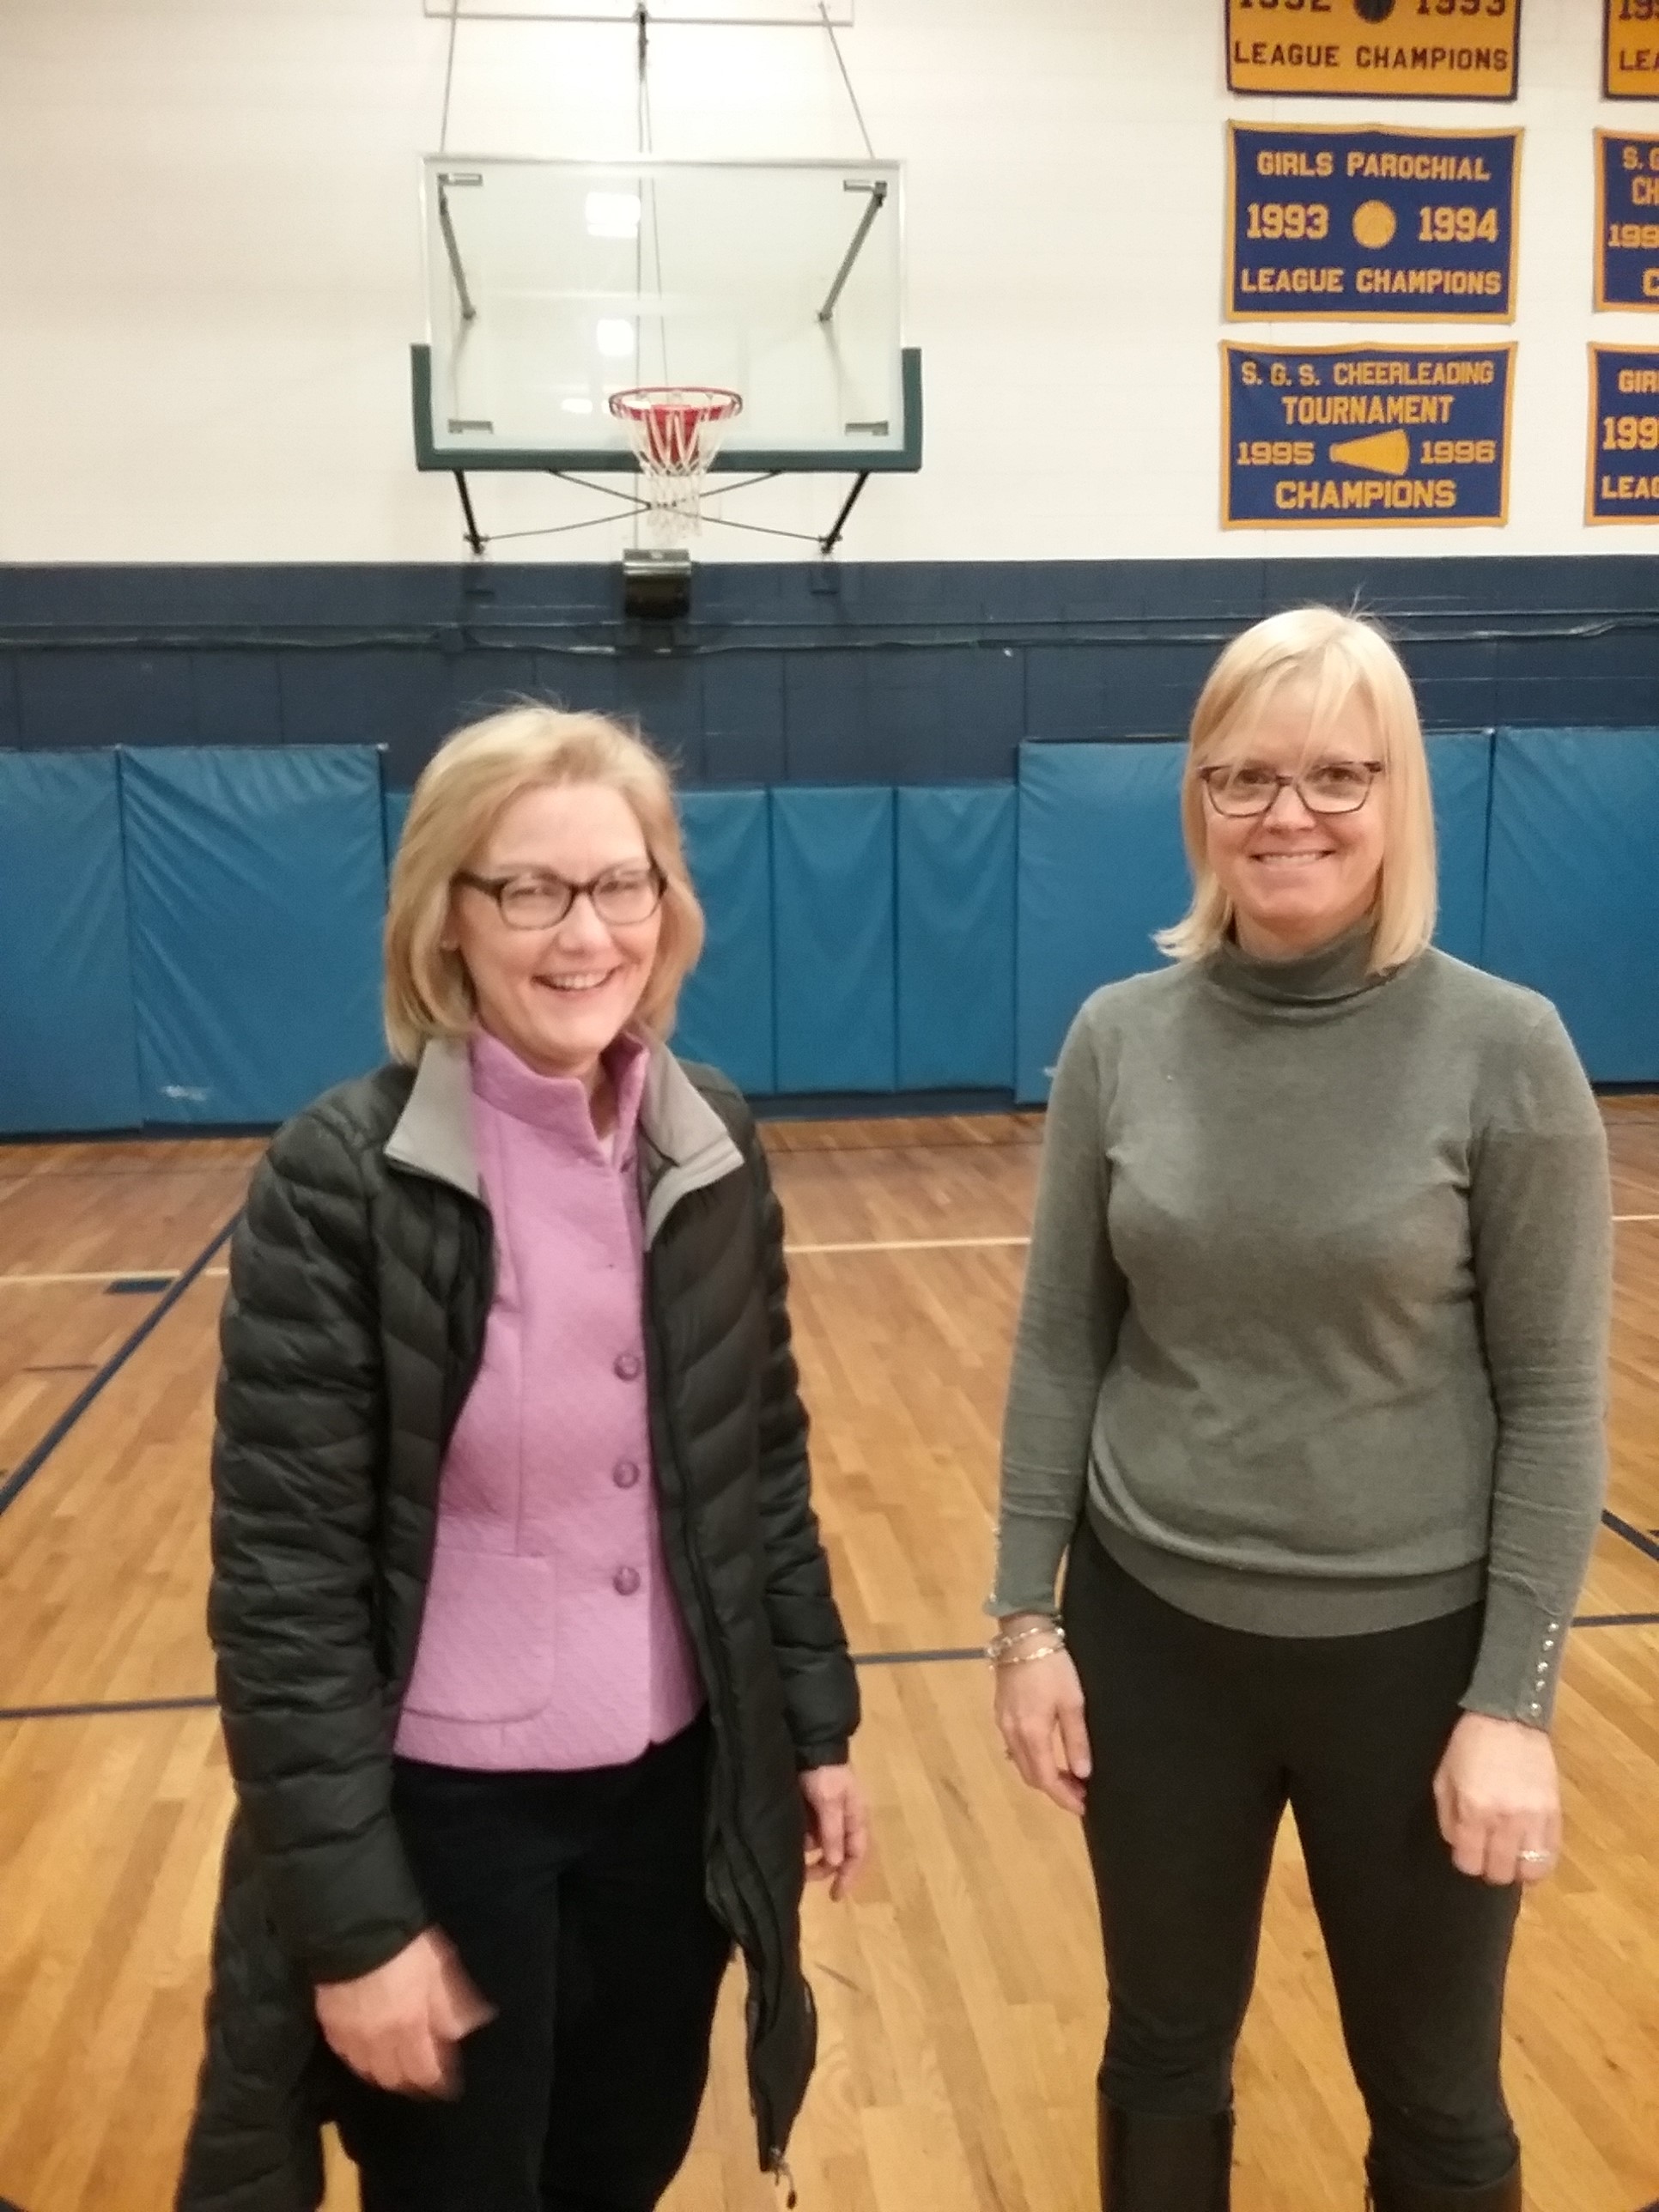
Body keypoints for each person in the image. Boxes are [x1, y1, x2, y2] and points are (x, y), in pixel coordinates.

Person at [177, 706, 868, 2212]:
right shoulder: (338, 1179)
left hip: (670, 1804)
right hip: (448, 1815)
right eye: (531, 890)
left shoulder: (713, 1144)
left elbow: (760, 1465)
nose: (585, 934)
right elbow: (284, 1594)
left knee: (622, 2164)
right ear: (448, 920)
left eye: (622, 885)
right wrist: (357, 1929)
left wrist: (813, 1727)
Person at [989, 609, 1612, 2212]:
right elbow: (1062, 1346)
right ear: (1199, 800)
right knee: (1162, 2055)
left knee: (1436, 2098)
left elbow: (1552, 1405)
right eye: (1247, 775)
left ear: (1400, 795)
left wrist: (1515, 1703)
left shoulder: (1507, 1049)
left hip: (1414, 1668)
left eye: (1338, 773)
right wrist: (1023, 1625)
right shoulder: (1119, 1041)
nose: (1291, 813)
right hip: (1156, 1640)